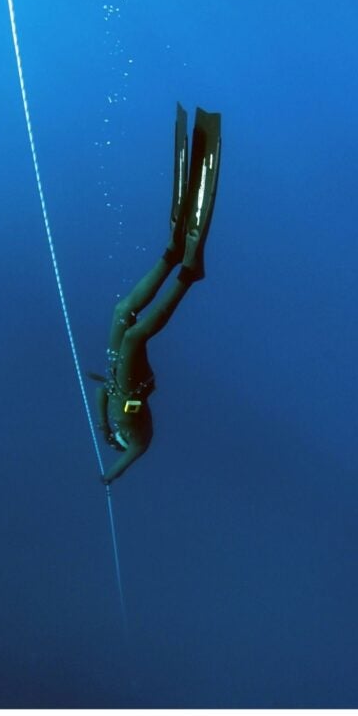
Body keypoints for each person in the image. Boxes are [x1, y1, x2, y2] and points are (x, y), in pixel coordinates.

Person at [92, 103, 221, 484]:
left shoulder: (113, 432)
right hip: (135, 382)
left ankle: (171, 254)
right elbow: (128, 460)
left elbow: (101, 399)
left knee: (121, 311)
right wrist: (109, 478)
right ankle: (188, 274)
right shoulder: (137, 443)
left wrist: (102, 425)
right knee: (135, 334)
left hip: (118, 375)